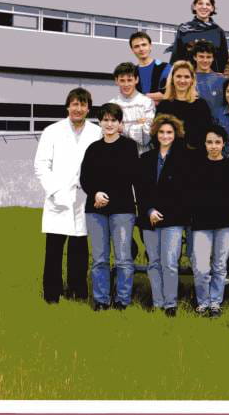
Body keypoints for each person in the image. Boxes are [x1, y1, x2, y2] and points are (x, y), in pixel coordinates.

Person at [34, 88, 102, 304]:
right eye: (74, 104)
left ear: (88, 108)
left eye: (83, 105)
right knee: (54, 249)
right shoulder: (52, 131)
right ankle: (51, 294)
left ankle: (77, 291)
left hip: (84, 197)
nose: (78, 109)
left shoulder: (97, 132)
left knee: (79, 248)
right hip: (58, 197)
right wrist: (55, 191)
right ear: (68, 107)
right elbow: (41, 166)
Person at [79, 103, 139, 311]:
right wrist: (95, 194)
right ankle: (101, 300)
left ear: (120, 123)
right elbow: (85, 177)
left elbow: (130, 176)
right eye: (105, 120)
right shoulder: (93, 149)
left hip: (122, 209)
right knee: (99, 259)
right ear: (100, 122)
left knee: (123, 258)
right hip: (95, 210)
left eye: (114, 120)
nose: (109, 124)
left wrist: (108, 196)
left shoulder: (129, 147)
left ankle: (122, 300)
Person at [136, 114, 191, 316]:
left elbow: (184, 193)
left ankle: (170, 304)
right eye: (161, 132)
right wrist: (150, 210)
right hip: (149, 218)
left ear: (175, 135)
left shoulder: (184, 160)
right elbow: (141, 190)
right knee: (154, 262)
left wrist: (164, 212)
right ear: (156, 133)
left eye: (169, 132)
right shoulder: (146, 159)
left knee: (169, 262)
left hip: (173, 219)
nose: (165, 136)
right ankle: (157, 302)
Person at [189, 125, 229, 317]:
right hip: (201, 224)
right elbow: (190, 195)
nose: (213, 146)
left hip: (225, 223)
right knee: (201, 267)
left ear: (223, 144)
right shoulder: (196, 167)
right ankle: (202, 302)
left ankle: (215, 303)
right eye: (210, 142)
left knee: (220, 265)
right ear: (204, 144)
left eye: (217, 142)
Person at [167, 0, 229, 72]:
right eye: (200, 3)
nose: (204, 7)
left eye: (208, 4)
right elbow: (175, 59)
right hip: (187, 77)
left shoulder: (218, 32)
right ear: (194, 6)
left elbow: (224, 61)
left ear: (212, 8)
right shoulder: (184, 29)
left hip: (211, 79)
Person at [156, 60, 212, 151]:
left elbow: (207, 135)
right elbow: (156, 135)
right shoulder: (164, 105)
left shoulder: (201, 105)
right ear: (172, 79)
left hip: (195, 155)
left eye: (186, 77)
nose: (182, 80)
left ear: (192, 80)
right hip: (170, 156)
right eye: (178, 76)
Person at [109, 62, 156, 155]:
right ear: (116, 81)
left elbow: (147, 136)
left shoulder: (147, 102)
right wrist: (138, 126)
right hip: (118, 154)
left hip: (143, 155)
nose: (126, 84)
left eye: (129, 80)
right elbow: (109, 134)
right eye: (122, 80)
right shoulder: (111, 104)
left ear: (136, 79)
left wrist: (123, 129)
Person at [129, 31, 171, 104]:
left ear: (150, 46)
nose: (141, 49)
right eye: (136, 46)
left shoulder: (165, 67)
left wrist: (142, 96)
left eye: (144, 45)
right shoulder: (132, 72)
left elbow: (169, 93)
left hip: (162, 110)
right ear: (132, 50)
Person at [192, 40, 226, 115]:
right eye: (201, 56)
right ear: (194, 57)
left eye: (208, 57)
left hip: (216, 121)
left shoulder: (222, 80)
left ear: (213, 58)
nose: (205, 60)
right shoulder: (186, 79)